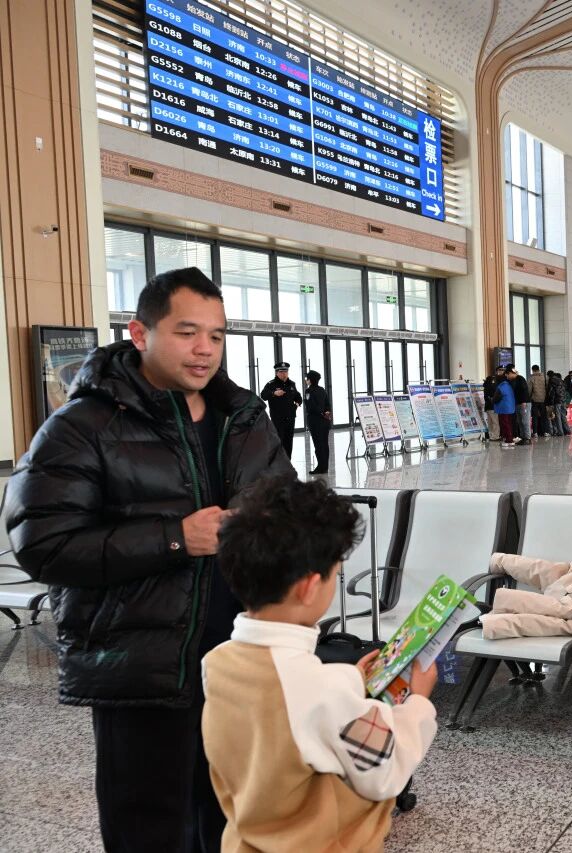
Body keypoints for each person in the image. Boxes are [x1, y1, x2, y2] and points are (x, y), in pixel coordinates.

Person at [2, 267, 292, 852]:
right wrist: (175, 539)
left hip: (237, 659)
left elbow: (284, 503)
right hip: (141, 667)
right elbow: (43, 544)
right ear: (140, 334)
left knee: (232, 818)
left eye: (216, 335)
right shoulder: (81, 426)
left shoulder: (244, 418)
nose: (204, 349)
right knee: (150, 828)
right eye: (187, 332)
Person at [205, 475, 439, 851]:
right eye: (335, 574)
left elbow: (281, 715)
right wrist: (418, 704)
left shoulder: (217, 663)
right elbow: (385, 772)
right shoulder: (319, 691)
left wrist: (351, 679)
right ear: (310, 587)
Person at [261, 361, 302, 458]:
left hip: (290, 418)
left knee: (289, 441)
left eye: (286, 372)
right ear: (277, 373)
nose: (284, 374)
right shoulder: (271, 384)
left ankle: (288, 462)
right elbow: (263, 395)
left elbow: (298, 397)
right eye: (281, 372)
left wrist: (296, 405)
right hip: (278, 419)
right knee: (278, 441)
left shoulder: (292, 384)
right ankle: (278, 463)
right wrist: (274, 393)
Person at [303, 369, 331, 475]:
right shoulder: (322, 390)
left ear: (310, 380)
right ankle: (325, 467)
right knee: (325, 444)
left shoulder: (309, 391)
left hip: (315, 421)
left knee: (318, 445)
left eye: (307, 378)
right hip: (325, 421)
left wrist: (321, 413)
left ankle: (320, 468)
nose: (306, 380)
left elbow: (311, 407)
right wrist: (326, 412)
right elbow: (328, 404)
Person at [507, 365, 532, 442]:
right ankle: (522, 437)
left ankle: (527, 438)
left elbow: (524, 390)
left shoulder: (520, 379)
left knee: (525, 421)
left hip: (524, 403)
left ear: (511, 373)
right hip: (518, 403)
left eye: (507, 375)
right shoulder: (513, 380)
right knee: (520, 421)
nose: (507, 377)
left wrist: (524, 401)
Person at [494, 370, 517, 448]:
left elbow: (496, 398)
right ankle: (509, 439)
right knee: (509, 424)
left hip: (503, 408)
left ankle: (509, 440)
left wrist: (491, 400)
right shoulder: (508, 385)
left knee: (505, 424)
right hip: (510, 408)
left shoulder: (500, 387)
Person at [529, 364, 550, 437]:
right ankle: (545, 432)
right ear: (539, 369)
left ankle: (535, 432)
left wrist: (529, 397)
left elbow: (529, 390)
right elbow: (547, 388)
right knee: (544, 416)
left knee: (535, 417)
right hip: (543, 400)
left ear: (532, 370)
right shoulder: (544, 377)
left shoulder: (532, 378)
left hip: (534, 400)